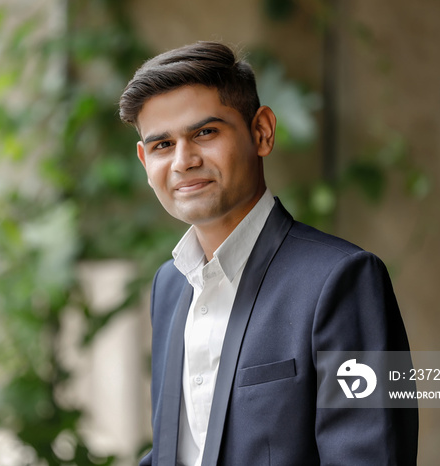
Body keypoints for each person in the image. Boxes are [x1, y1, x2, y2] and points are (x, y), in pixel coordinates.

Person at [119, 41, 418, 466]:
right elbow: (182, 451)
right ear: (144, 160)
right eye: (162, 145)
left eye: (205, 133)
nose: (183, 161)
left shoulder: (342, 279)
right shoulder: (170, 286)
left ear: (261, 131)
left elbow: (371, 456)